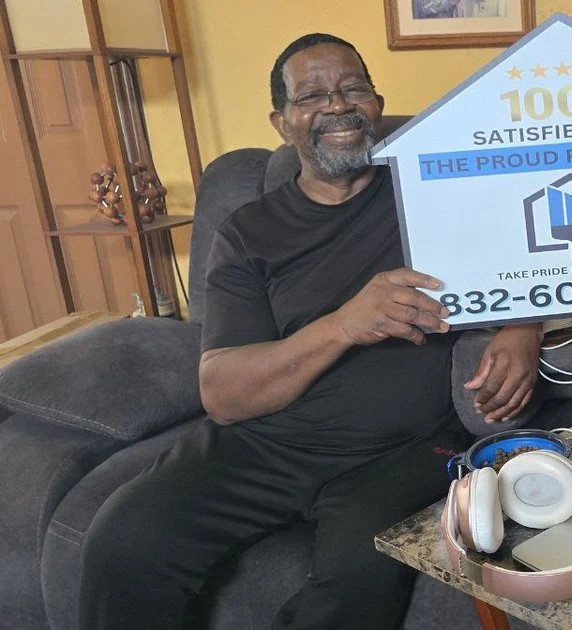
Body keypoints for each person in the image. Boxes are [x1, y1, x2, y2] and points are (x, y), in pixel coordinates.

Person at [78, 33, 543, 629]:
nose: (337, 105)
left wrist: (523, 324)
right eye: (312, 95)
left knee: (357, 584)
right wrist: (346, 324)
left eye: (354, 89)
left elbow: (530, 253)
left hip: (404, 451)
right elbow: (223, 394)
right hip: (265, 447)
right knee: (123, 542)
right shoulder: (248, 234)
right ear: (282, 121)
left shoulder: (434, 196)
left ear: (376, 105)